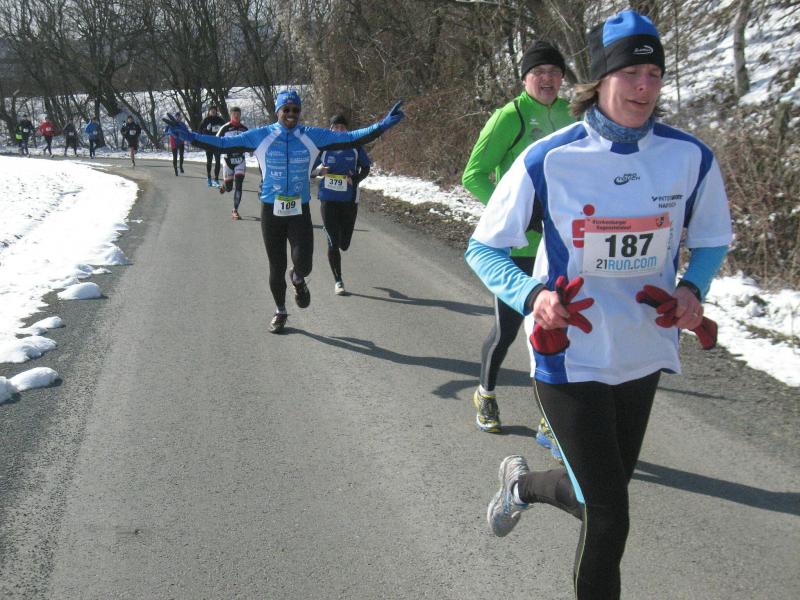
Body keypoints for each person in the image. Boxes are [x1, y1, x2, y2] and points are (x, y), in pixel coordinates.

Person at [466, 10, 732, 599]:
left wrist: (692, 290)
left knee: (597, 500)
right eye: (630, 73)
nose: (644, 86)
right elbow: (482, 249)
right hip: (569, 354)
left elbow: (713, 239)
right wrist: (532, 295)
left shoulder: (689, 157)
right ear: (600, 80)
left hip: (641, 353)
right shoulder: (549, 158)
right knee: (611, 516)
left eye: (654, 74)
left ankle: (522, 488)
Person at [164, 89, 404, 334]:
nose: (291, 114)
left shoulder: (312, 136)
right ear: (277, 111)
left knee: (305, 265)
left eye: (295, 110)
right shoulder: (261, 136)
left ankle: (298, 278)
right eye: (286, 109)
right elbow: (223, 144)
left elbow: (351, 138)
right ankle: (280, 311)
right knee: (276, 267)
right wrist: (190, 137)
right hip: (271, 211)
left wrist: (383, 125)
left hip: (299, 210)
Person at [462, 40, 574, 445]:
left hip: (561, 248)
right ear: (525, 78)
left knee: (555, 334)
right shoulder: (509, 117)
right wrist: (516, 216)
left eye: (554, 72)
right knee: (508, 332)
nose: (547, 79)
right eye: (538, 72)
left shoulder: (572, 115)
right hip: (517, 248)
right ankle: (485, 394)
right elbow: (474, 175)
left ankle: (549, 417)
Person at [311, 114, 371, 295]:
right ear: (330, 129)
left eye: (342, 127)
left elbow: (366, 167)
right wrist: (319, 171)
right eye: (335, 127)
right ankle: (338, 281)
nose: (339, 130)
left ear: (347, 129)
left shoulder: (354, 145)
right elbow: (309, 168)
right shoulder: (323, 147)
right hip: (328, 199)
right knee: (333, 243)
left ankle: (338, 238)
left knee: (344, 244)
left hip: (349, 200)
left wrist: (355, 178)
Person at [216, 107, 249, 220]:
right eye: (234, 114)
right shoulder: (225, 128)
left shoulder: (245, 129)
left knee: (239, 185)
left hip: (240, 160)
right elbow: (216, 141)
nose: (236, 116)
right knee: (229, 188)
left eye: (238, 114)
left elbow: (251, 142)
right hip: (228, 161)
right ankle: (225, 186)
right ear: (230, 115)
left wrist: (251, 151)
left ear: (240, 115)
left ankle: (235, 210)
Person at [199, 105, 225, 187]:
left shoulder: (220, 120)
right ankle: (209, 177)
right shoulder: (205, 120)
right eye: (211, 110)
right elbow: (200, 131)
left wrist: (222, 135)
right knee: (209, 161)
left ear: (216, 112)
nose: (213, 112)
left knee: (218, 161)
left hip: (217, 143)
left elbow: (225, 129)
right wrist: (206, 129)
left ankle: (216, 179)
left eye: (214, 110)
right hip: (208, 144)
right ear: (209, 112)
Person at [166, 111, 186, 175]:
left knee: (181, 155)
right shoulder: (171, 123)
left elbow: (186, 131)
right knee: (175, 156)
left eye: (179, 117)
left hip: (181, 141)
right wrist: (170, 133)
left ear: (180, 117)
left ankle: (181, 166)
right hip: (174, 142)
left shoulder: (182, 124)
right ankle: (175, 169)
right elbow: (166, 131)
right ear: (175, 117)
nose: (178, 118)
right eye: (177, 117)